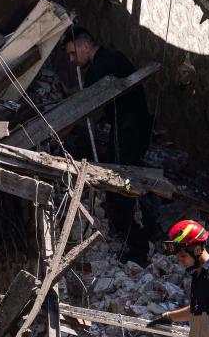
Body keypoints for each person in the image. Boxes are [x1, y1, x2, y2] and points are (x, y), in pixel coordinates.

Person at [64, 27, 157, 266]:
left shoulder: (102, 65)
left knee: (121, 187)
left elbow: (86, 101)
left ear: (85, 46)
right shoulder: (113, 59)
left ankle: (138, 248)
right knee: (126, 183)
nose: (72, 60)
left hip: (128, 130)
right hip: (131, 128)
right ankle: (144, 235)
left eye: (74, 53)